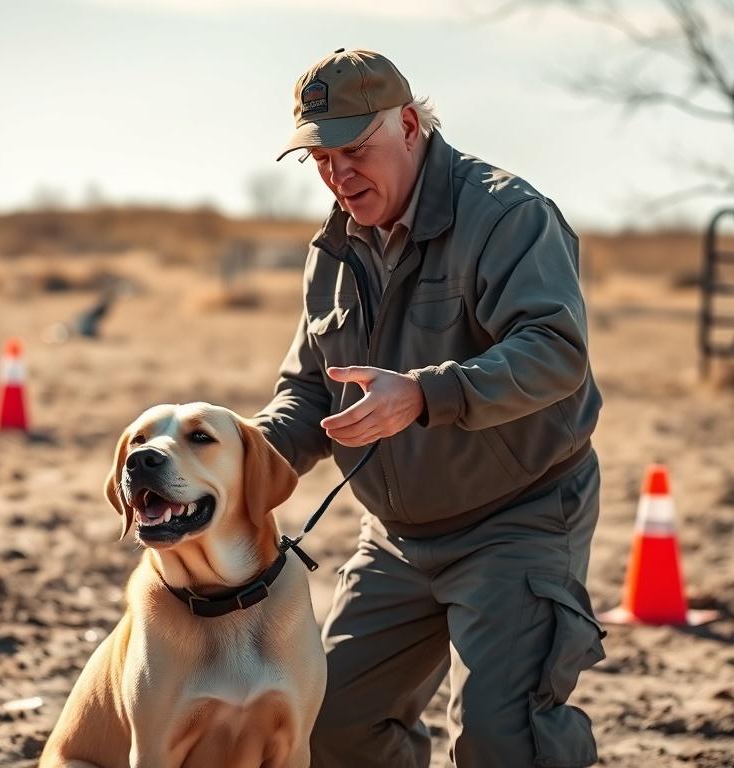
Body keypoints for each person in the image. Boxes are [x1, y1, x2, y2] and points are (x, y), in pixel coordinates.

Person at [252, 48, 606, 768]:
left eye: (355, 149)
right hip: (394, 540)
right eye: (320, 157)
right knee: (328, 729)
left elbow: (554, 351)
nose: (337, 173)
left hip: (519, 520)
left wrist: (423, 394)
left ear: (410, 124)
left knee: (502, 741)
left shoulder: (509, 215)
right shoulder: (334, 246)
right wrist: (237, 457)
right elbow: (309, 390)